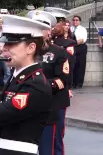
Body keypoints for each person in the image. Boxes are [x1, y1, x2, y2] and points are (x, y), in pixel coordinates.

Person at [0, 14, 52, 155]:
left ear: (31, 48)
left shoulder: (35, 84)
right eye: (5, 43)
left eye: (12, 43)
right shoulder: (17, 78)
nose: (4, 48)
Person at [27, 10, 71, 155]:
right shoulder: (28, 51)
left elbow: (62, 80)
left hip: (55, 101)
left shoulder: (59, 52)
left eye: (42, 28)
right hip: (33, 101)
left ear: (49, 31)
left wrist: (39, 85)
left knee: (54, 141)